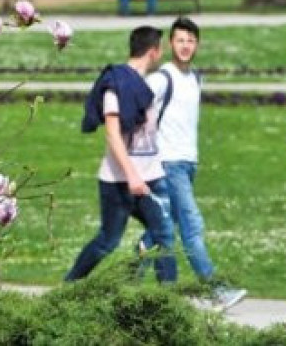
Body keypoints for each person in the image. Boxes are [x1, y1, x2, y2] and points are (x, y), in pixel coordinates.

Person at [138, 17, 246, 310]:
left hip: (187, 163)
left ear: (197, 45)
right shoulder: (162, 79)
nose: (185, 46)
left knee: (160, 230)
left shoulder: (196, 77)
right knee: (192, 226)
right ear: (170, 44)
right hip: (169, 164)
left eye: (190, 41)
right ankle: (217, 291)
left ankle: (129, 281)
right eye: (180, 40)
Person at [64, 26, 177, 283]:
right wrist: (132, 177)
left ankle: (169, 302)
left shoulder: (144, 86)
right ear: (154, 51)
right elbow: (113, 135)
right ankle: (69, 286)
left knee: (164, 236)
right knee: (108, 241)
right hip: (118, 181)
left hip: (152, 178)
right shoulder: (116, 85)